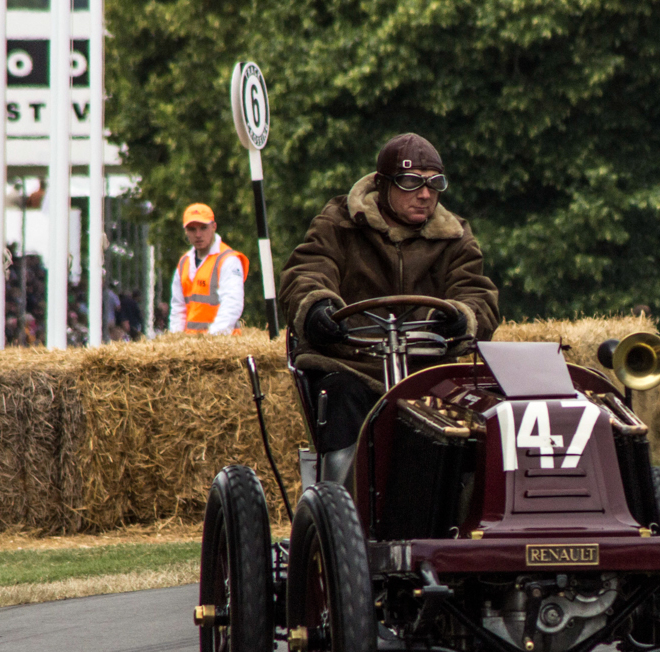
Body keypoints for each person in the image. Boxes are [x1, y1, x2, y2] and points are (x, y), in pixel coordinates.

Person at [279, 132, 500, 481]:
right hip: (350, 363)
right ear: (383, 185)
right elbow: (308, 271)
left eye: (434, 184)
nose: (425, 195)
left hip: (425, 367)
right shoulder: (338, 223)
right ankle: (343, 507)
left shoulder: (456, 236)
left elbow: (476, 292)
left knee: (475, 411)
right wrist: (318, 307)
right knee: (340, 394)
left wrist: (461, 318)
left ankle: (454, 506)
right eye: (411, 183)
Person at [169, 204, 247, 335]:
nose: (198, 234)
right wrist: (176, 339)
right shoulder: (184, 262)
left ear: (214, 227)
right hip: (189, 347)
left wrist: (212, 339)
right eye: (192, 229)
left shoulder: (228, 260)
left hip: (223, 344)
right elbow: (178, 308)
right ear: (186, 232)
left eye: (203, 228)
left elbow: (232, 303)